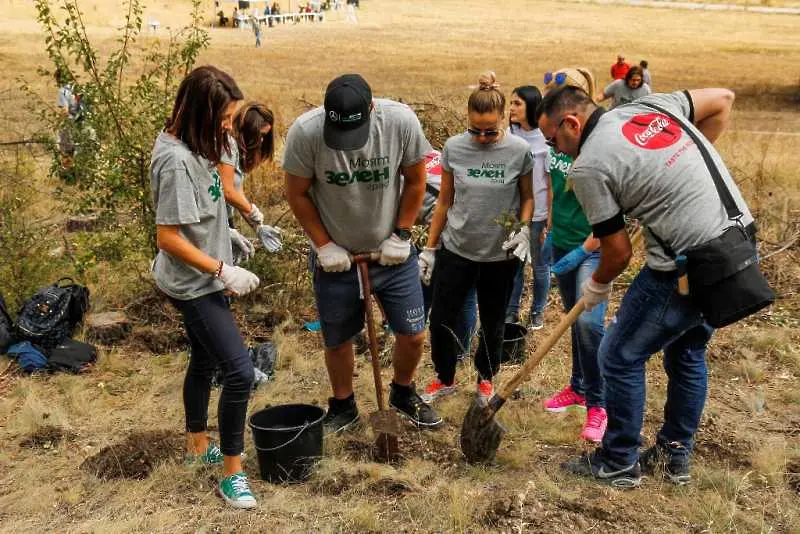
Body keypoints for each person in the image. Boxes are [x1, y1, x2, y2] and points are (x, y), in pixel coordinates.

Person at [538, 85, 754, 488]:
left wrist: (596, 287)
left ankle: (618, 460)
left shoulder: (588, 167)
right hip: (737, 241)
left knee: (618, 354)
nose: (558, 151)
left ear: (572, 123)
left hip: (686, 266)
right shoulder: (652, 106)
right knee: (687, 350)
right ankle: (675, 455)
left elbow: (616, 254)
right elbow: (722, 99)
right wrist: (673, 175)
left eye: (555, 140)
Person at [283, 73, 442, 433]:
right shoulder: (306, 134)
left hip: (392, 252)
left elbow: (416, 181)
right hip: (337, 256)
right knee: (338, 337)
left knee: (414, 333)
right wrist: (324, 244)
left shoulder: (400, 122)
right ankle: (343, 405)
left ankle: (403, 392)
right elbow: (296, 194)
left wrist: (402, 234)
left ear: (371, 109)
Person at [150, 66, 259, 508]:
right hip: (193, 284)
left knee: (202, 359)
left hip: (203, 272)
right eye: (225, 119)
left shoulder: (199, 144)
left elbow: (206, 201)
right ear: (199, 113)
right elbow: (169, 236)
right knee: (240, 373)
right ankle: (231, 474)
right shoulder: (174, 160)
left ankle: (198, 446)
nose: (230, 126)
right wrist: (222, 269)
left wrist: (225, 231)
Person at [419, 72, 533, 403]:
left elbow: (527, 197)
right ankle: (444, 378)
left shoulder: (519, 151)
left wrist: (523, 229)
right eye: (475, 130)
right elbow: (444, 201)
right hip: (458, 249)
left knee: (494, 319)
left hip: (500, 253)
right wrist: (429, 248)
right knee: (441, 318)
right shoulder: (454, 148)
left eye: (491, 132)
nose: (482, 138)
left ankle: (486, 378)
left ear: (504, 120)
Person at [540, 67, 608, 443]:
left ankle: (599, 406)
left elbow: (615, 217)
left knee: (588, 325)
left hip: (593, 249)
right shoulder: (559, 142)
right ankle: (578, 386)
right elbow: (555, 187)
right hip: (563, 240)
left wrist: (584, 248)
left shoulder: (596, 146)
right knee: (572, 322)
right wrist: (550, 226)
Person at [504, 85, 551, 330]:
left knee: (540, 266)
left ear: (531, 106)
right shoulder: (509, 134)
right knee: (515, 263)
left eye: (517, 104)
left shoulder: (545, 137)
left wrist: (550, 216)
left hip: (539, 212)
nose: (511, 108)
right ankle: (511, 312)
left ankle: (537, 312)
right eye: (510, 103)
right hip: (514, 212)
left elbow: (550, 179)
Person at [218, 102, 282, 263]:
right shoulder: (226, 148)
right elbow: (228, 191)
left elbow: (236, 192)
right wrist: (252, 211)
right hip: (212, 222)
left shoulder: (238, 156)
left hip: (225, 220)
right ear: (248, 131)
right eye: (260, 135)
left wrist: (258, 226)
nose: (261, 141)